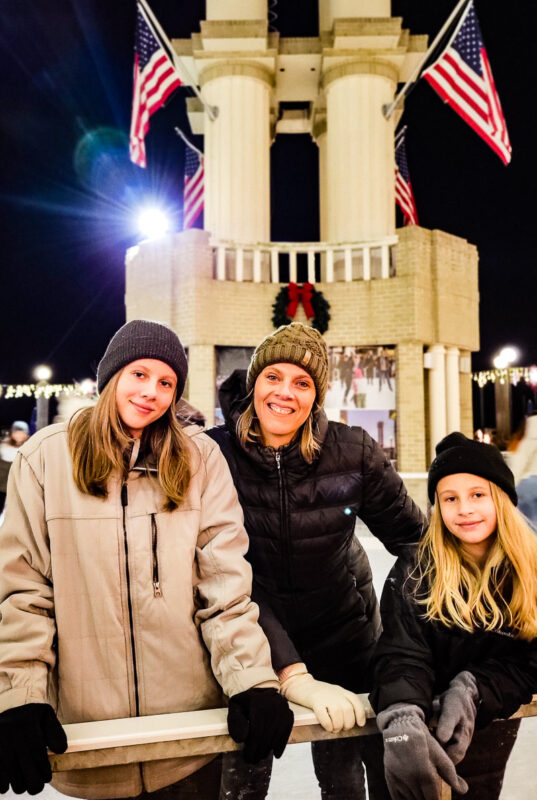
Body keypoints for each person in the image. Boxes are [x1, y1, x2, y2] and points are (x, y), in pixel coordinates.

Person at [0, 319, 293, 799]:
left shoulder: (199, 460)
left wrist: (251, 680)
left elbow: (223, 585)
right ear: (112, 375)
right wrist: (19, 697)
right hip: (89, 741)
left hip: (185, 738)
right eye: (139, 374)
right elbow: (24, 594)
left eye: (166, 382)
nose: (151, 392)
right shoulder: (44, 460)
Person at [206, 322, 426, 800]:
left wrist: (411, 633)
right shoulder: (214, 454)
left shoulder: (352, 450)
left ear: (317, 396)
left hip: (343, 638)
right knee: (243, 776)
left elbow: (417, 543)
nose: (285, 393)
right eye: (273, 377)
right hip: (252, 643)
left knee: (344, 775)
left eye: (302, 383)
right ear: (254, 383)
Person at [370, 432, 537, 800]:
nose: (464, 509)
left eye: (478, 495)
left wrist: (474, 689)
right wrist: (401, 715)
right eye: (450, 498)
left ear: (502, 499)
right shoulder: (416, 568)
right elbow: (401, 652)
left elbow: (530, 660)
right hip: (414, 734)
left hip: (490, 726)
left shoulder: (529, 568)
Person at [505, 412, 537, 530]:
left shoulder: (533, 428)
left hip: (529, 484)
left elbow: (520, 462)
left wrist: (509, 488)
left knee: (526, 528)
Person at [0, 420, 30, 513]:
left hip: (18, 486)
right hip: (2, 486)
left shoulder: (29, 448)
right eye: (17, 432)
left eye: (22, 433)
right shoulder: (3, 447)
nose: (19, 435)